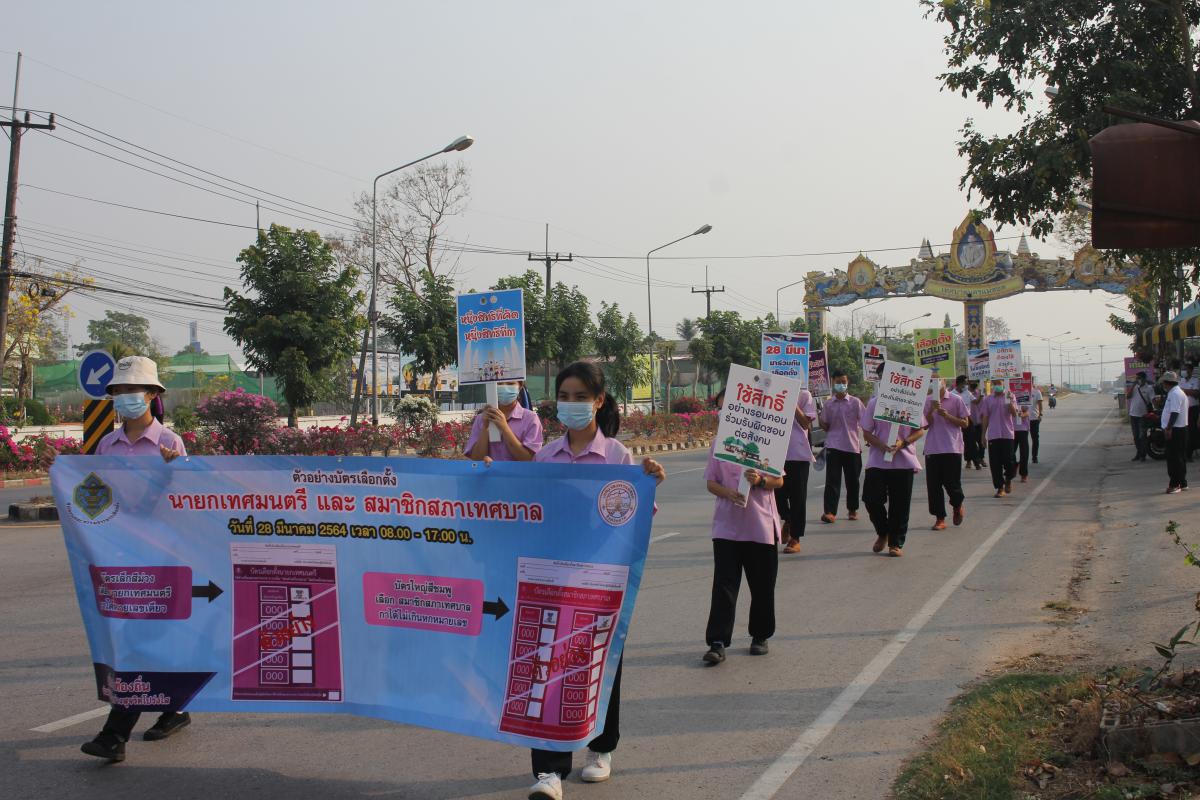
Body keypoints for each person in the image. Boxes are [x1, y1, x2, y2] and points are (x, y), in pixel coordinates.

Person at [525, 362, 665, 800]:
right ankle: (549, 770)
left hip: (601, 582)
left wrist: (650, 482)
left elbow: (634, 517)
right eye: (564, 396)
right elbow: (527, 511)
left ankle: (601, 749)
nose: (570, 404)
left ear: (598, 401)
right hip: (551, 579)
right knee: (546, 668)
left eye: (580, 397)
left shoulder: (618, 457)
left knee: (601, 665)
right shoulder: (545, 458)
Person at [81, 356, 190, 763]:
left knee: (138, 642)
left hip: (162, 557)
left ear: (152, 395)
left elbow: (188, 500)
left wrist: (175, 472)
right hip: (119, 558)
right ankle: (175, 709)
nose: (124, 397)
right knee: (139, 640)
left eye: (132, 391)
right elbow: (95, 496)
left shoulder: (170, 444)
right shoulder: (106, 446)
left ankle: (114, 735)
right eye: (118, 392)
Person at [702, 389, 784, 666]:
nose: (725, 413)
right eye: (721, 409)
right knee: (724, 586)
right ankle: (717, 642)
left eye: (730, 407)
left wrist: (760, 480)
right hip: (727, 526)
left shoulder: (767, 441)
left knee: (762, 585)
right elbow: (711, 482)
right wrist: (727, 493)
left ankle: (760, 635)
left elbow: (779, 480)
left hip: (760, 525)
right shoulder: (719, 444)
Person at [859, 365, 927, 557]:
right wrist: (881, 445)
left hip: (903, 461)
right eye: (882, 376)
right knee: (871, 499)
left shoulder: (911, 402)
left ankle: (895, 543)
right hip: (878, 460)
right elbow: (866, 432)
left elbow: (920, 430)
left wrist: (903, 443)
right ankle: (883, 532)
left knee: (900, 505)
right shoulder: (874, 403)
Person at [817, 371, 864, 523]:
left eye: (843, 381)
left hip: (852, 446)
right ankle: (830, 512)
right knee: (832, 480)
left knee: (853, 481)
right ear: (833, 382)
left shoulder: (856, 402)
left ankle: (852, 509)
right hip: (833, 446)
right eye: (838, 382)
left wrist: (870, 438)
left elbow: (865, 422)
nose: (841, 384)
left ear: (847, 382)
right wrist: (819, 417)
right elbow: (825, 426)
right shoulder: (828, 404)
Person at [775, 382, 817, 553]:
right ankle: (788, 519)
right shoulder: (770, 389)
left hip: (798, 454)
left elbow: (805, 423)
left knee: (798, 497)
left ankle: (795, 537)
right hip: (775, 454)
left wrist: (791, 400)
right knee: (777, 495)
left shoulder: (804, 395)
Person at [923, 378, 969, 530]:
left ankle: (957, 504)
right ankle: (939, 518)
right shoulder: (927, 400)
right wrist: (931, 409)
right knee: (934, 486)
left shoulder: (956, 399)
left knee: (952, 483)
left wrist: (947, 416)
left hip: (952, 447)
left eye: (937, 380)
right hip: (933, 448)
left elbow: (965, 423)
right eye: (931, 380)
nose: (934, 383)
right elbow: (924, 425)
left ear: (943, 382)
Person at [464, 380, 543, 462]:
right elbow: (476, 459)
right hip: (489, 470)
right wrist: (485, 428)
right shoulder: (481, 419)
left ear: (520, 387)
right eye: (499, 384)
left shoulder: (531, 419)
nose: (504, 387)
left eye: (510, 383)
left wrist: (504, 428)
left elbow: (528, 459)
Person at [979, 382, 1019, 498]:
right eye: (995, 383)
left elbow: (1014, 414)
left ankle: (1008, 478)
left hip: (1007, 434)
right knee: (995, 463)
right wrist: (983, 435)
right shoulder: (988, 399)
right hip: (994, 434)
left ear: (1003, 384)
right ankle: (1000, 488)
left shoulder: (1010, 396)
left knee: (1009, 461)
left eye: (999, 383)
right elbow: (985, 417)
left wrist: (1009, 401)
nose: (997, 385)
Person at [1161, 370, 1189, 494]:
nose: (1163, 385)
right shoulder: (1176, 392)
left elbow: (1175, 412)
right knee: (1179, 457)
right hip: (1179, 429)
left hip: (1176, 429)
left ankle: (1175, 484)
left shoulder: (1175, 394)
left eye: (1163, 383)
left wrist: (1168, 428)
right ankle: (1182, 482)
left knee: (1174, 458)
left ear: (1167, 382)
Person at [1126, 371, 1155, 462]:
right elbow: (1128, 396)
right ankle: (1139, 453)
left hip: (1143, 416)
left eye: (1139, 378)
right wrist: (1133, 385)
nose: (1138, 380)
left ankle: (1143, 455)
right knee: (1135, 436)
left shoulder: (1149, 388)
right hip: (1133, 415)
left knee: (1142, 436)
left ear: (1144, 379)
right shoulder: (1135, 387)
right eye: (1137, 378)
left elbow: (1153, 400)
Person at [1013, 386, 1032, 483]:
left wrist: (1022, 415)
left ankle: (1023, 474)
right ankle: (1014, 465)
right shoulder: (1009, 395)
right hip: (1011, 429)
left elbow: (1028, 412)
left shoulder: (1025, 394)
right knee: (1010, 452)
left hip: (1023, 429)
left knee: (1024, 453)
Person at [1181, 361, 1200, 461]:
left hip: (1193, 409)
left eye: (1186, 369)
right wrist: (1189, 392)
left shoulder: (1195, 381)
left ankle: (1189, 454)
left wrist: (1184, 391)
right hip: (1183, 409)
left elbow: (1196, 393)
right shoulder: (1181, 381)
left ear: (1191, 371)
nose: (1184, 371)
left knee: (1192, 432)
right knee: (1185, 431)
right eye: (1183, 369)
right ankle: (1186, 453)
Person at [967, 380, 987, 470]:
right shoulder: (965, 393)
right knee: (969, 443)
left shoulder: (981, 393)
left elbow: (984, 406)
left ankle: (981, 458)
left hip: (979, 421)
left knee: (981, 441)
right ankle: (969, 460)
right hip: (968, 421)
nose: (973, 383)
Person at [1028, 380, 1044, 463]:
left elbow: (1040, 404)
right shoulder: (1020, 391)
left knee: (1035, 438)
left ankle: (1034, 457)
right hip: (1022, 420)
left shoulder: (1037, 392)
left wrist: (1040, 414)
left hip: (1034, 418)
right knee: (1022, 440)